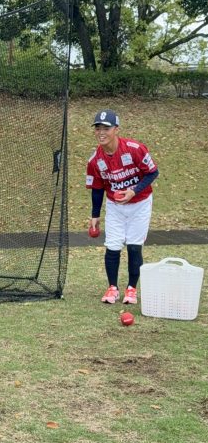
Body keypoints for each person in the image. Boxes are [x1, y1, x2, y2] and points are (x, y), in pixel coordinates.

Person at [86, 109, 159, 305]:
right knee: (112, 246)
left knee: (134, 247)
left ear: (116, 129)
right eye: (98, 128)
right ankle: (112, 288)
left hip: (140, 203)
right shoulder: (95, 160)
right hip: (115, 206)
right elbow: (97, 188)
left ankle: (131, 289)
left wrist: (133, 191)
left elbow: (152, 173)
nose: (101, 132)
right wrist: (95, 215)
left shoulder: (135, 149)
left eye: (106, 128)